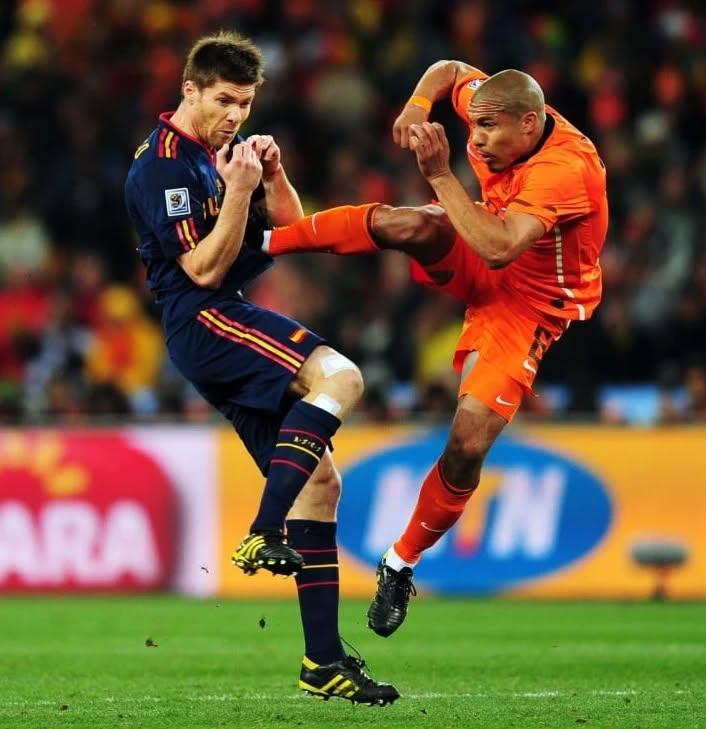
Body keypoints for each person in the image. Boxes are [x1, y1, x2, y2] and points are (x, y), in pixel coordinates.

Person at [252, 60, 608, 636]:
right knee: (409, 224)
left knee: (467, 444)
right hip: (484, 239)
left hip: (529, 302)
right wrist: (418, 104)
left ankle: (400, 563)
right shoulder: (493, 104)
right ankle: (265, 243)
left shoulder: (565, 169)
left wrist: (441, 175)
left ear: (529, 123)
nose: (478, 138)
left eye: (490, 128)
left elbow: (499, 248)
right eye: (475, 125)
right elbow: (449, 70)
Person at [124, 31, 398, 704]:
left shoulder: (222, 152)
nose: (235, 116)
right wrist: (239, 191)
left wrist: (270, 178)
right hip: (206, 317)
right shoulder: (163, 166)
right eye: (223, 100)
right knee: (341, 376)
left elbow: (291, 231)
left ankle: (322, 662)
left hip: (223, 316)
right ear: (189, 90)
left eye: (245, 103)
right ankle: (263, 530)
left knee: (320, 485)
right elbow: (202, 269)